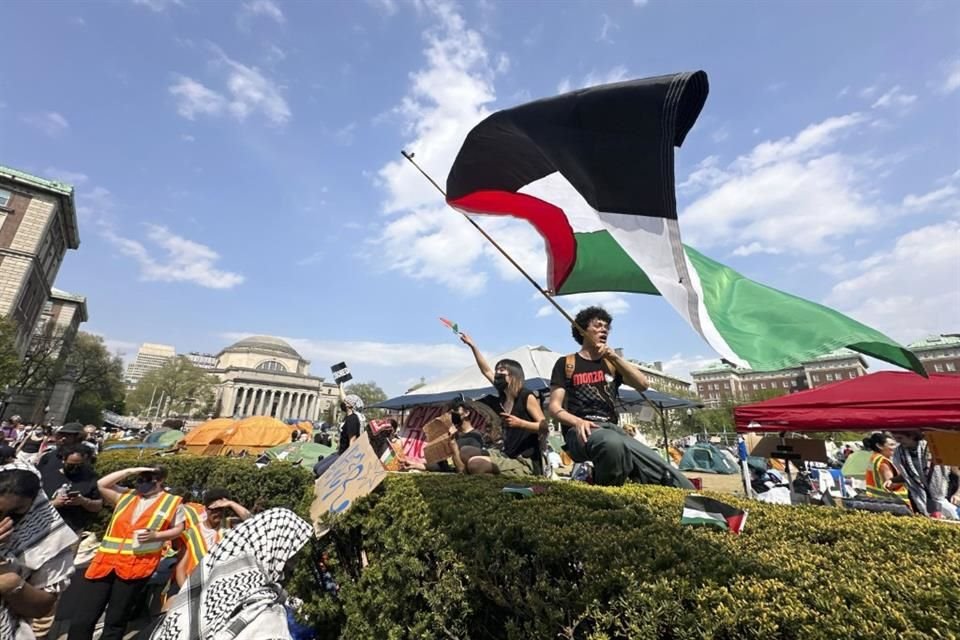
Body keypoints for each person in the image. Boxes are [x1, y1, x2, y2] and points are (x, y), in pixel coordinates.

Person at [547, 306, 693, 488]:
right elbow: (554, 407)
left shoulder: (611, 364)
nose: (604, 330)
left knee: (670, 475)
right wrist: (577, 422)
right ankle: (608, 499)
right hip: (580, 432)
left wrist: (615, 357)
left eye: (607, 327)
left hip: (613, 429)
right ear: (582, 330)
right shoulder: (567, 364)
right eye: (598, 325)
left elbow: (642, 384)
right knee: (611, 443)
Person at [149, 508, 313, 640]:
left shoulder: (218, 575)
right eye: (293, 553)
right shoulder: (264, 613)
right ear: (274, 550)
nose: (295, 561)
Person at [67, 466, 185, 640]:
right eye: (140, 479)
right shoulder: (127, 496)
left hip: (136, 567)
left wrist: (156, 536)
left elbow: (178, 529)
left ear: (159, 481)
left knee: (116, 620)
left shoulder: (172, 502)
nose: (141, 483)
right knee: (83, 618)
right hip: (105, 564)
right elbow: (101, 484)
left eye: (147, 479)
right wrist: (132, 470)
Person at [0, 460, 78, 640]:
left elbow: (41, 608)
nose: (5, 521)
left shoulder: (50, 542)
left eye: (16, 513)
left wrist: (13, 584)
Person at [459, 333, 546, 476]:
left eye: (501, 370)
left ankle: (495, 482)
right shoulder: (503, 397)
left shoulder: (526, 396)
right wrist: (473, 346)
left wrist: (521, 423)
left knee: (476, 463)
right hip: (506, 453)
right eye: (497, 370)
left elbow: (544, 427)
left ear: (513, 375)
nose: (497, 374)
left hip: (524, 460)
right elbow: (486, 370)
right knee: (465, 451)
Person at [174, 489, 251, 587]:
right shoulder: (191, 533)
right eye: (214, 509)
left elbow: (253, 522)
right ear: (206, 509)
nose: (217, 513)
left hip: (223, 585)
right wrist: (187, 593)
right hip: (196, 585)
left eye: (221, 509)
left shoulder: (230, 526)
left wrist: (231, 503)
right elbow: (181, 569)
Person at [40, 444, 102, 535]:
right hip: (46, 529)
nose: (75, 469)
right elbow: (31, 507)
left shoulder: (90, 477)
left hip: (73, 530)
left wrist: (83, 501)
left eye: (79, 465)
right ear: (63, 460)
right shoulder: (46, 477)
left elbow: (98, 506)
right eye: (71, 465)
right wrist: (54, 503)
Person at [892, 431, 956, 519]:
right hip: (919, 496)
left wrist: (958, 494)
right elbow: (911, 475)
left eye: (900, 438)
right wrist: (893, 480)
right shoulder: (899, 453)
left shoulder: (934, 448)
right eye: (895, 438)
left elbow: (956, 471)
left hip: (945, 493)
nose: (898, 442)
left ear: (912, 436)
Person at [863, 432, 911, 508]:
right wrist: (908, 478)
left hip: (877, 501)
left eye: (895, 444)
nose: (895, 447)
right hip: (895, 503)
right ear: (879, 446)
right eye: (891, 445)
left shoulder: (874, 458)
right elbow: (890, 485)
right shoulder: (883, 462)